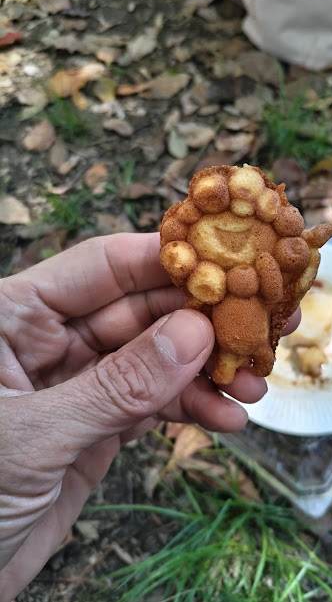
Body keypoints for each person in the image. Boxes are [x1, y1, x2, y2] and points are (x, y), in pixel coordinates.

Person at [0, 232, 300, 601]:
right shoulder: (209, 281)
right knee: (227, 372)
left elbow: (276, 288)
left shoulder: (261, 275)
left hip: (251, 331)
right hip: (218, 328)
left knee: (245, 367)